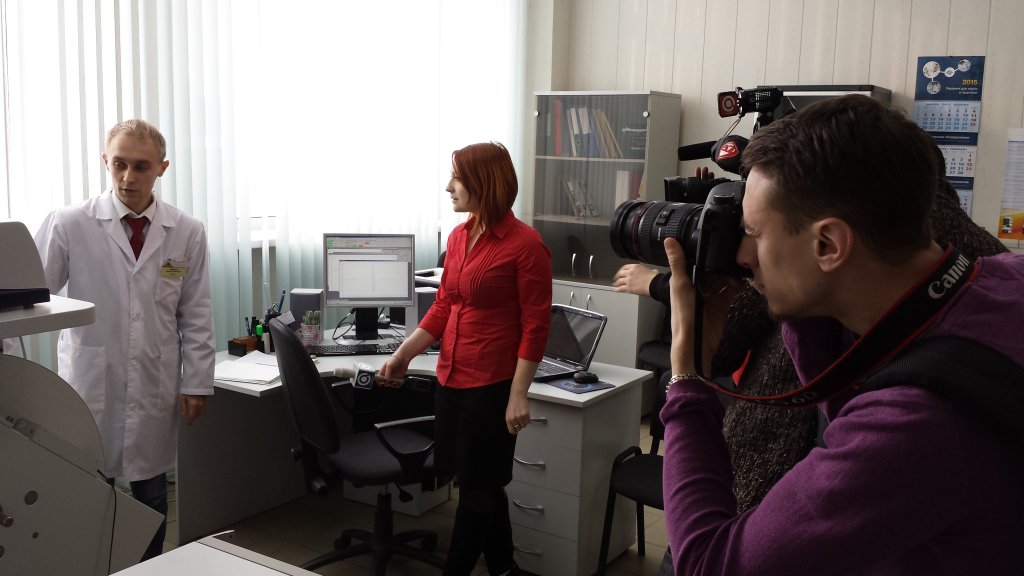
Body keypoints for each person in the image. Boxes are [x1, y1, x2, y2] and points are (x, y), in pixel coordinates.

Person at [660, 94, 1024, 575]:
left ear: (828, 244)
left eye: (755, 233)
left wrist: (685, 377)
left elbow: (706, 565)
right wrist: (809, 303)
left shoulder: (914, 426)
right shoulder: (1005, 276)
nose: (743, 257)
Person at [34, 119, 215, 562]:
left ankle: (149, 567)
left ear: (162, 168)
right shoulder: (70, 223)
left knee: (150, 492)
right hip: (91, 378)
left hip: (154, 377)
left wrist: (197, 382)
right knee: (90, 486)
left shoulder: (186, 230)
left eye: (141, 166)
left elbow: (195, 312)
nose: (128, 177)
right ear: (105, 161)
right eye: (119, 164)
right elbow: (31, 294)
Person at [379, 142, 551, 576]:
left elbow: (536, 326)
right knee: (482, 487)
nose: (448, 187)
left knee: (476, 495)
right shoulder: (458, 237)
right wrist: (403, 355)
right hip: (450, 380)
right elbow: (443, 306)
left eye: (457, 178)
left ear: (483, 183)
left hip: (490, 387)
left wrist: (518, 395)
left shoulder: (526, 245)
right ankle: (504, 569)